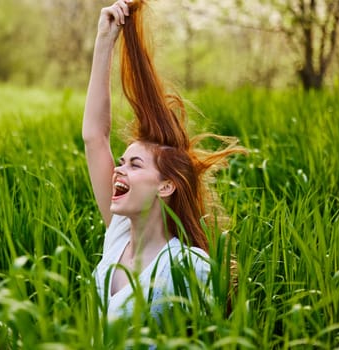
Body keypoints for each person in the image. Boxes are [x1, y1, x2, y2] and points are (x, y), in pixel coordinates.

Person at [83, 0, 244, 320]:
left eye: (135, 164)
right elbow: (94, 137)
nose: (118, 168)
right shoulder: (118, 236)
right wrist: (104, 41)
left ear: (166, 185)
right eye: (122, 160)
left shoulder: (187, 265)